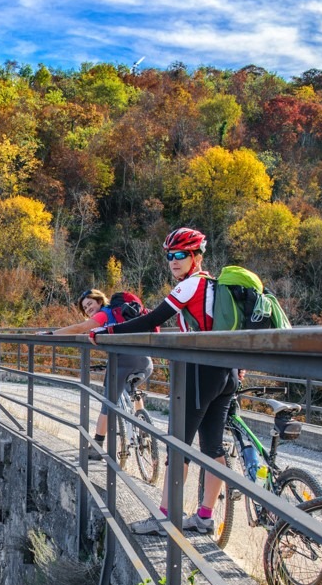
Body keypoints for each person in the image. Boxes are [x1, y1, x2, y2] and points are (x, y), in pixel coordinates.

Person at [90, 226, 237, 535]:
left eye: (181, 254)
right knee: (212, 446)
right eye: (170, 256)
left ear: (196, 256)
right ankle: (205, 517)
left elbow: (152, 319)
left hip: (201, 371)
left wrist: (106, 331)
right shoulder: (213, 285)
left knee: (177, 444)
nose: (174, 261)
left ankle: (165, 518)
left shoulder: (191, 285)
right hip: (226, 371)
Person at [52, 289, 154, 462]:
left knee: (107, 403)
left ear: (99, 301)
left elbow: (79, 328)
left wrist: (52, 334)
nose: (88, 309)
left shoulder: (104, 314)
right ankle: (143, 428)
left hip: (124, 361)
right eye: (85, 308)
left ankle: (97, 447)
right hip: (145, 361)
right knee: (130, 389)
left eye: (90, 304)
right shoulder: (121, 313)